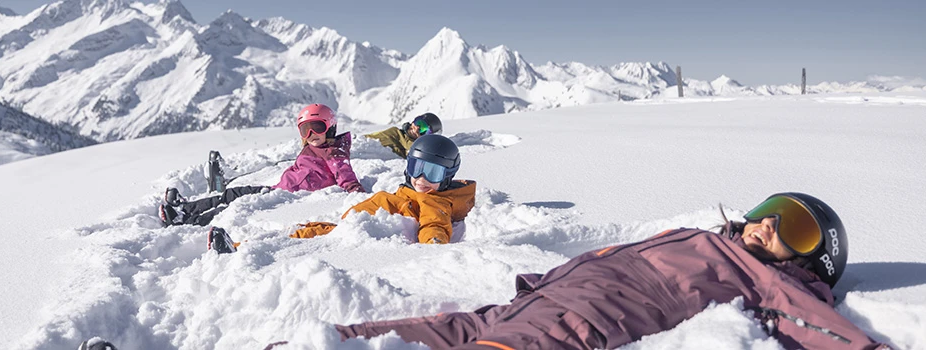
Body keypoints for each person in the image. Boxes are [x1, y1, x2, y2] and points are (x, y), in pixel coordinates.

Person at [331, 193, 889, 349]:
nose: (768, 223)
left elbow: (827, 332)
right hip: (538, 300)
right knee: (417, 335)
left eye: (795, 229)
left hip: (582, 319)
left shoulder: (768, 282)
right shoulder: (708, 238)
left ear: (812, 262)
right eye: (775, 210)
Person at [159, 103, 366, 227]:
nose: (311, 135)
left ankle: (185, 221)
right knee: (232, 195)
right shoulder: (318, 147)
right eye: (305, 130)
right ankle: (186, 209)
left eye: (317, 128)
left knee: (234, 209)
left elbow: (345, 174)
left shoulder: (334, 153)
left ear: (330, 128)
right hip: (278, 190)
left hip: (287, 198)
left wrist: (357, 193)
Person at [291, 134, 474, 244]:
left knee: (310, 235)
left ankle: (297, 234)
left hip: (358, 233)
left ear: (447, 176)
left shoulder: (433, 201)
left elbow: (434, 224)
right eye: (416, 168)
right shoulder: (415, 190)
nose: (421, 179)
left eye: (432, 173)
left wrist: (434, 242)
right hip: (353, 225)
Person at [365, 112, 443, 158]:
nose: (416, 128)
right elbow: (365, 141)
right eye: (418, 123)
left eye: (423, 129)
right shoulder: (395, 133)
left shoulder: (420, 149)